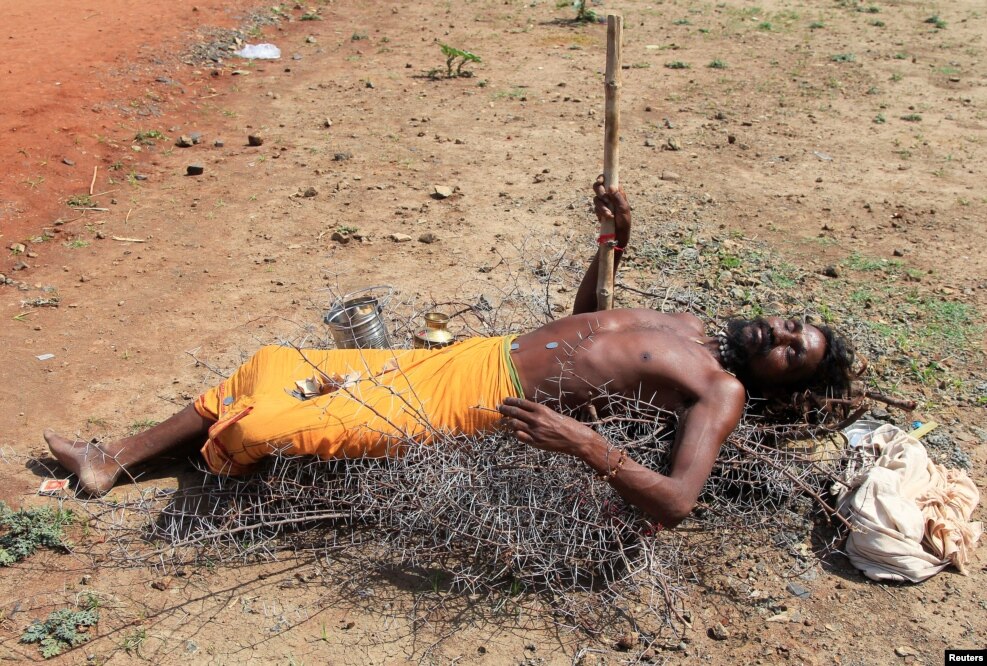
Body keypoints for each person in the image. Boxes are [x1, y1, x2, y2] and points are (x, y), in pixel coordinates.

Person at [45, 178, 855, 528]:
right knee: (272, 363)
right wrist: (612, 240)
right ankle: (111, 458)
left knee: (261, 425)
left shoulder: (721, 392)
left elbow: (675, 502)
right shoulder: (689, 322)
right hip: (468, 354)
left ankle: (237, 468)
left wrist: (585, 443)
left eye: (793, 354)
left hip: (466, 404)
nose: (778, 338)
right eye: (790, 326)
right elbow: (583, 327)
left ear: (782, 384)